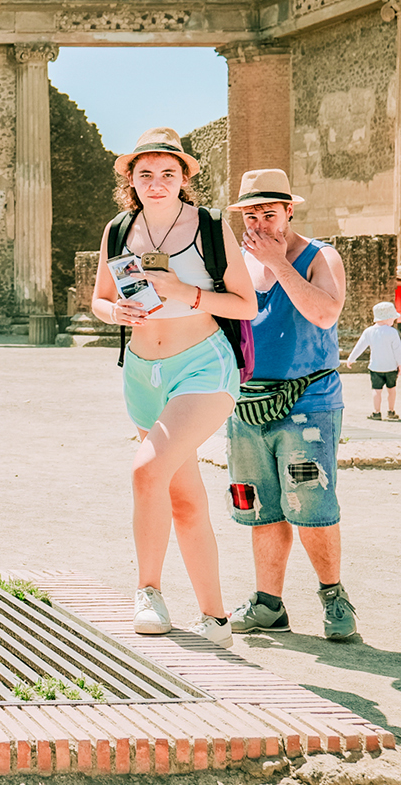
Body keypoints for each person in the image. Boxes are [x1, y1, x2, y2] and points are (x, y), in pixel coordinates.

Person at [89, 128, 257, 645]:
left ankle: (148, 592)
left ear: (184, 178)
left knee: (146, 471)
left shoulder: (210, 225)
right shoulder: (118, 229)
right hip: (142, 373)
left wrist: (187, 292)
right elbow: (98, 299)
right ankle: (216, 619)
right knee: (182, 496)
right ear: (131, 180)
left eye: (168, 173)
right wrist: (115, 311)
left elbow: (246, 305)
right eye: (146, 174)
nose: (157, 182)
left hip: (203, 366)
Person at [225, 168, 356, 641]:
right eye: (251, 215)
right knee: (260, 507)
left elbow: (325, 313)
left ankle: (334, 597)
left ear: (289, 211)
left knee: (313, 506)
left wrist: (279, 263)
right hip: (246, 404)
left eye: (269, 213)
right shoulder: (236, 261)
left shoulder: (321, 256)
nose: (260, 223)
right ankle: (268, 604)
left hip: (309, 404)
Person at [347, 301, 401, 421]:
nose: (394, 320)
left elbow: (360, 346)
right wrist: (400, 364)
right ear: (387, 318)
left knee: (376, 391)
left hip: (375, 367)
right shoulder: (393, 332)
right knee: (391, 390)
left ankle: (376, 412)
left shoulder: (369, 332)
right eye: (393, 318)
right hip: (391, 368)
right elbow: (398, 350)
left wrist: (351, 359)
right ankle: (391, 411)